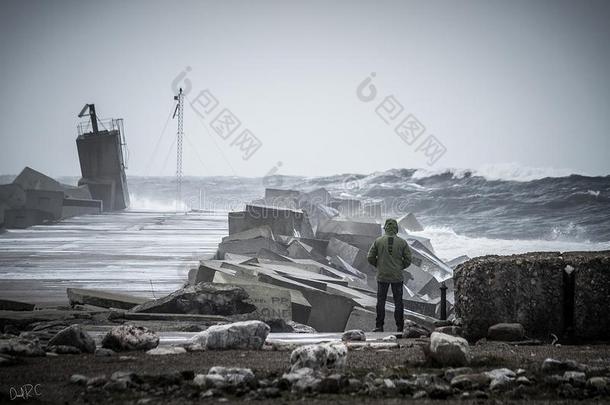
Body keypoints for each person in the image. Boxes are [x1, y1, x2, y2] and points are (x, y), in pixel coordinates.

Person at [367, 218, 412, 332]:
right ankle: (400, 327)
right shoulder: (402, 242)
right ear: (396, 228)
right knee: (398, 302)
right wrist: (400, 267)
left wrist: (378, 265)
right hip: (397, 277)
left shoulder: (378, 241)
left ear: (386, 228)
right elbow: (408, 259)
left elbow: (370, 257)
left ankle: (379, 326)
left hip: (382, 276)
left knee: (381, 301)